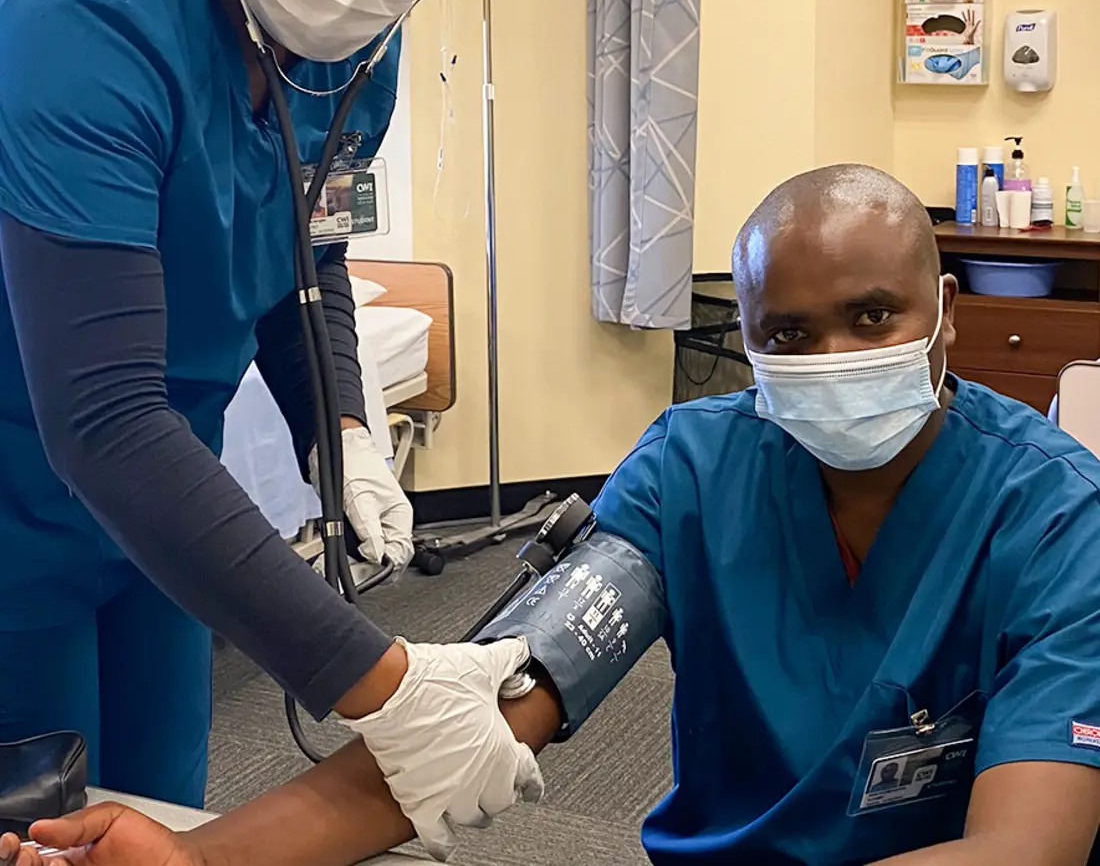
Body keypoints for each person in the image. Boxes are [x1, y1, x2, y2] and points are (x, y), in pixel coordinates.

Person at [8, 163, 1100, 866]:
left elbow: (1029, 844)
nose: (833, 360)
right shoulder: (694, 471)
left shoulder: (1053, 518)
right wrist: (202, 860)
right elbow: (482, 711)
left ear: (943, 311)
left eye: (873, 315)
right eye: (788, 333)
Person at [0, 0, 541, 847]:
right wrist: (383, 682)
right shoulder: (82, 23)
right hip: (23, 502)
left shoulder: (353, 50)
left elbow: (307, 254)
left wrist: (340, 426)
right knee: (39, 823)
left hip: (167, 508)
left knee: (164, 819)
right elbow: (100, 418)